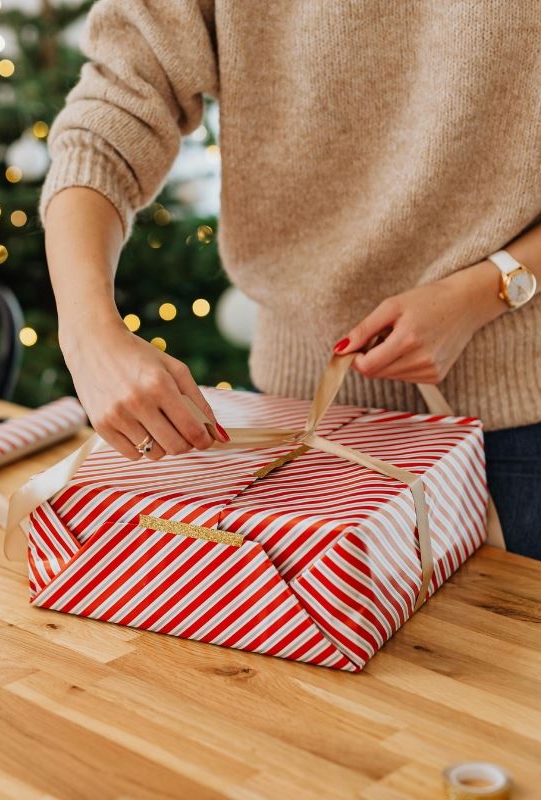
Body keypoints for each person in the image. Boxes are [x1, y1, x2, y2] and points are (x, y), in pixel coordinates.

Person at [39, 1, 541, 558]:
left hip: (518, 435)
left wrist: (486, 290)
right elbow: (108, 124)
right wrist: (86, 333)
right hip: (294, 423)